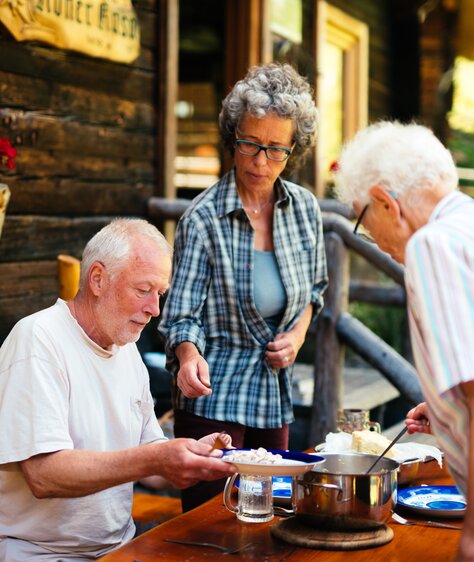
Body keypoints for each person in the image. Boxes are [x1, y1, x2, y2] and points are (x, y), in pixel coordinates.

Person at [333, 121, 474, 562]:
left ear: (385, 202)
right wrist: (453, 410)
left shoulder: (434, 245)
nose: (373, 241)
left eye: (363, 220)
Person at [0, 219, 236, 561]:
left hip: (118, 549)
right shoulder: (38, 339)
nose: (155, 309)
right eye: (143, 290)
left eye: (160, 294)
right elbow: (44, 475)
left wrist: (190, 458)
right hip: (36, 553)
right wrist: (156, 458)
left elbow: (149, 456)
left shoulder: (125, 348)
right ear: (97, 279)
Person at [158, 62, 328, 512]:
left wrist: (297, 336)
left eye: (276, 150)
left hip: (273, 396)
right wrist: (188, 357)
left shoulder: (305, 209)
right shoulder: (202, 218)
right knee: (207, 528)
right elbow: (180, 314)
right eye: (250, 144)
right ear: (234, 135)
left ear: (294, 149)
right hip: (214, 399)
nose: (259, 161)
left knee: (271, 520)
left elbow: (314, 290)